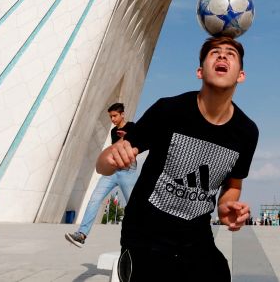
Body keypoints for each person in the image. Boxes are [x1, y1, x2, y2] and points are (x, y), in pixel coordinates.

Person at [99, 36, 258, 281]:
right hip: (145, 237)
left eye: (231, 54)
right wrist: (111, 157)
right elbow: (103, 165)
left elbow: (233, 184)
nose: (223, 56)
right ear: (199, 71)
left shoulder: (246, 132)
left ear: (241, 75)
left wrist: (226, 206)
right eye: (215, 52)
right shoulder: (168, 110)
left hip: (196, 238)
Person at [66, 102, 138, 247]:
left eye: (115, 116)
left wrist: (127, 136)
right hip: (112, 172)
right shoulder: (113, 132)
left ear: (122, 114)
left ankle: (146, 238)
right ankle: (81, 234)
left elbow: (136, 145)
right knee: (94, 199)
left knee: (135, 205)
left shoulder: (132, 127)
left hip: (127, 171)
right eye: (111, 117)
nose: (113, 119)